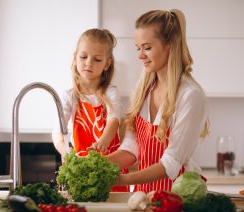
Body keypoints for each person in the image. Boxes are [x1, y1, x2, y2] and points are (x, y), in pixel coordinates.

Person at [106, 9, 210, 193]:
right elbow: (132, 147)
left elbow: (171, 163)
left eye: (147, 47)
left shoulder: (190, 95)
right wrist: (98, 164)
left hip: (176, 199)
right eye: (138, 48)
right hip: (141, 198)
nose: (140, 55)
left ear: (169, 45)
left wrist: (122, 179)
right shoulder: (143, 89)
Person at [52, 28, 128, 192]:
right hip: (82, 169)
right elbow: (57, 131)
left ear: (107, 64)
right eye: (84, 57)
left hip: (111, 167)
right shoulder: (69, 97)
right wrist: (65, 151)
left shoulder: (110, 92)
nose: (88, 63)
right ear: (75, 57)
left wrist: (104, 141)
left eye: (97, 59)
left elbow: (114, 119)